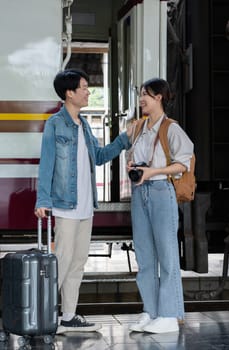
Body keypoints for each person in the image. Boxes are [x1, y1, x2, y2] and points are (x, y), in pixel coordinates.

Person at [34, 68, 132, 332]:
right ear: (69, 93)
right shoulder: (55, 123)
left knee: (77, 262)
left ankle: (67, 316)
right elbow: (47, 164)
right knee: (63, 261)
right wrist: (42, 200)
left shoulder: (85, 125)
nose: (89, 92)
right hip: (65, 205)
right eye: (85, 87)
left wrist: (123, 140)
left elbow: (98, 157)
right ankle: (41, 316)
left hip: (86, 207)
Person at [127, 78, 194, 334]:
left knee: (166, 256)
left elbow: (182, 164)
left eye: (147, 94)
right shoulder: (139, 128)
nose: (142, 98)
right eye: (141, 94)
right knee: (144, 257)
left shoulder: (171, 129)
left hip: (160, 191)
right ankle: (151, 311)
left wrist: (153, 170)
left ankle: (169, 314)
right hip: (140, 192)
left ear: (160, 98)